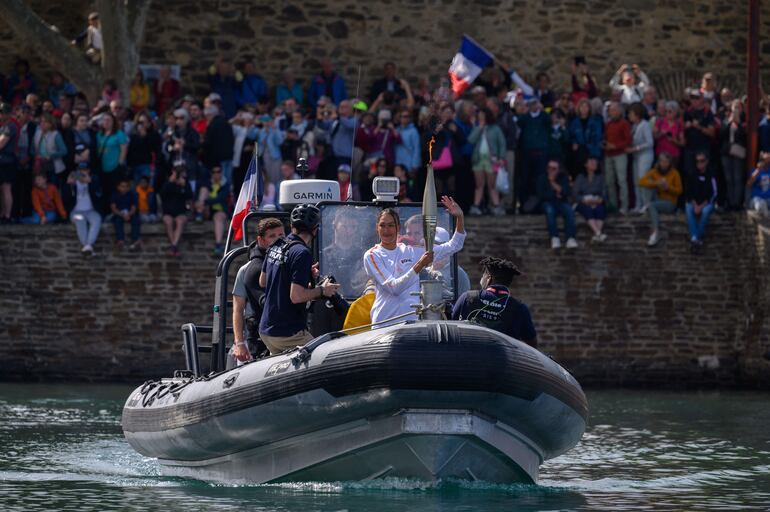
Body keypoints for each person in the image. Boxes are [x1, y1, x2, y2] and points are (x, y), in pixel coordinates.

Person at [363, 196, 465, 328]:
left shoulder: (411, 251)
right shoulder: (372, 255)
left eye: (391, 225)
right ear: (377, 228)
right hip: (384, 325)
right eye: (382, 225)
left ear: (398, 228)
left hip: (411, 325)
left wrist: (460, 217)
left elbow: (454, 245)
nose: (386, 230)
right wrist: (420, 265)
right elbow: (394, 288)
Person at [256, 204, 341, 355]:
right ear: (315, 230)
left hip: (266, 331)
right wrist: (323, 290)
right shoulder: (302, 253)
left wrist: (301, 274)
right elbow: (296, 297)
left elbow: (263, 281)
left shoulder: (277, 244)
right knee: (323, 355)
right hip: (287, 333)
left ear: (291, 226)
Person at [231, 217, 285, 364]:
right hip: (256, 334)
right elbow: (238, 309)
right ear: (261, 240)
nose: (278, 240)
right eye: (272, 236)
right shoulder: (247, 270)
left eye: (281, 235)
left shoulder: (290, 262)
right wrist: (239, 343)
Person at [452, 257, 537, 347]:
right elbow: (532, 343)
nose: (481, 280)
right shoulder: (519, 308)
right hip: (502, 356)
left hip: (467, 354)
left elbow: (450, 325)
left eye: (483, 276)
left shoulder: (468, 297)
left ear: (489, 278)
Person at [639, 152, 683, 246]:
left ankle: (655, 232)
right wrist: (656, 183)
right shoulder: (654, 171)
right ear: (658, 162)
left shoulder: (675, 173)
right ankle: (647, 205)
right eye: (662, 161)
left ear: (670, 163)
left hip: (670, 202)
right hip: (657, 199)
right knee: (648, 185)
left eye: (666, 162)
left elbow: (679, 191)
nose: (664, 164)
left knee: (652, 206)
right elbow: (641, 182)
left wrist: (668, 187)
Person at [468, 107, 506, 216]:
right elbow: (471, 140)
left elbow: (502, 144)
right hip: (479, 160)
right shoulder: (477, 127)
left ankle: (496, 206)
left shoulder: (495, 129)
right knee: (479, 184)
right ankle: (476, 206)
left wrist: (501, 157)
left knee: (492, 185)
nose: (480, 117)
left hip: (492, 160)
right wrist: (479, 128)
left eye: (482, 115)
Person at [63, 162, 102, 255]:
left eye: (85, 170)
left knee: (97, 219)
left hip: (90, 211)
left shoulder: (94, 180)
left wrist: (91, 183)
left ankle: (87, 246)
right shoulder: (73, 182)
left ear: (89, 171)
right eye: (80, 170)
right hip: (75, 212)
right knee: (80, 220)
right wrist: (68, 185)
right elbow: (65, 199)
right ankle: (87, 245)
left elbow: (99, 197)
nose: (82, 172)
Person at [537, 159, 578, 249]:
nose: (551, 170)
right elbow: (541, 195)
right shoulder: (542, 178)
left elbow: (566, 192)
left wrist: (553, 183)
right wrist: (556, 194)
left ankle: (570, 238)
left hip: (561, 202)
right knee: (550, 211)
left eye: (554, 168)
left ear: (558, 170)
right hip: (548, 203)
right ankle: (554, 237)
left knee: (569, 211)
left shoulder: (563, 178)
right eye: (549, 168)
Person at [603, 101, 631, 213]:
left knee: (621, 181)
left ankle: (624, 206)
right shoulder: (608, 124)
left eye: (614, 110)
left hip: (620, 155)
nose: (612, 112)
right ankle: (613, 205)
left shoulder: (624, 123)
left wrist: (615, 146)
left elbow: (628, 141)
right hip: (608, 155)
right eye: (610, 111)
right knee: (609, 181)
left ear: (619, 111)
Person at [719, 100, 747, 211]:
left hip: (738, 153)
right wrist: (730, 122)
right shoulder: (726, 120)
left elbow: (743, 136)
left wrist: (738, 124)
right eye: (735, 107)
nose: (736, 109)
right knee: (728, 178)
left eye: (739, 107)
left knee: (738, 177)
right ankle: (730, 202)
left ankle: (737, 202)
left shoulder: (744, 121)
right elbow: (721, 134)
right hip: (726, 152)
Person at [685, 152, 717, 247]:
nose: (699, 163)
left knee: (705, 211)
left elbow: (714, 193)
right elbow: (689, 192)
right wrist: (695, 205)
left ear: (707, 161)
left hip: (707, 203)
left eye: (702, 161)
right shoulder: (692, 174)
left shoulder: (711, 175)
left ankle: (697, 236)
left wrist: (701, 206)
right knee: (688, 209)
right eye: (697, 161)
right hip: (694, 202)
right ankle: (695, 238)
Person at [626, 103, 654, 213]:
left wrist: (636, 148)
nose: (629, 116)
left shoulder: (645, 125)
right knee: (636, 181)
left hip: (645, 155)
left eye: (631, 114)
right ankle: (638, 204)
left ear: (637, 115)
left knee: (643, 179)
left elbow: (650, 142)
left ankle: (647, 204)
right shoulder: (634, 126)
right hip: (636, 156)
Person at [160, 164, 193, 257]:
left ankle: (173, 247)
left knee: (180, 221)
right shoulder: (168, 183)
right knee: (168, 221)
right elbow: (162, 195)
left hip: (181, 212)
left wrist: (184, 186)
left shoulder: (185, 184)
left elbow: (190, 196)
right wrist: (170, 182)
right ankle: (174, 247)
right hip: (168, 212)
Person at [573, 157, 607, 242]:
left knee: (600, 209)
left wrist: (600, 199)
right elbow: (575, 193)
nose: (594, 164)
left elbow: (604, 192)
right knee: (587, 209)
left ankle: (597, 234)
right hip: (583, 202)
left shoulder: (600, 177)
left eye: (595, 163)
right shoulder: (580, 177)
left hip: (596, 201)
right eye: (591, 162)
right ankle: (598, 233)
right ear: (586, 165)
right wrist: (583, 200)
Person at [568, 98, 603, 178]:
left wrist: (594, 151)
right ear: (579, 108)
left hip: (591, 150)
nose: (584, 109)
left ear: (589, 108)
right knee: (579, 174)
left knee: (593, 174)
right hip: (579, 151)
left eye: (586, 107)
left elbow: (598, 136)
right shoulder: (574, 122)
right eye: (582, 106)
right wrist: (574, 143)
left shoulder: (595, 121)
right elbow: (571, 136)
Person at [205, 166, 230, 256]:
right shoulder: (207, 183)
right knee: (203, 191)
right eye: (214, 172)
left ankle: (218, 245)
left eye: (218, 171)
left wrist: (206, 202)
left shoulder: (225, 184)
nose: (216, 174)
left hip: (220, 210)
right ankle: (198, 214)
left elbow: (221, 198)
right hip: (207, 210)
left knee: (218, 217)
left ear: (221, 173)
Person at [0, 103, 19, 223]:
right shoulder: (3, 127)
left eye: (2, 113)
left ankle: (7, 215)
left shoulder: (10, 127)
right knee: (2, 189)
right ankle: (2, 213)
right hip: (2, 161)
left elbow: (1, 144)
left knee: (6, 188)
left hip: (7, 161)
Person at [110, 178, 141, 250]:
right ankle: (120, 240)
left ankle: (135, 240)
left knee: (136, 220)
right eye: (122, 186)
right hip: (119, 214)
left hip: (130, 214)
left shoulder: (132, 194)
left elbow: (134, 208)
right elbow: (113, 208)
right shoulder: (114, 195)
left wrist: (128, 214)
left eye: (126, 186)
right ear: (118, 187)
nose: (124, 188)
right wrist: (122, 215)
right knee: (117, 221)